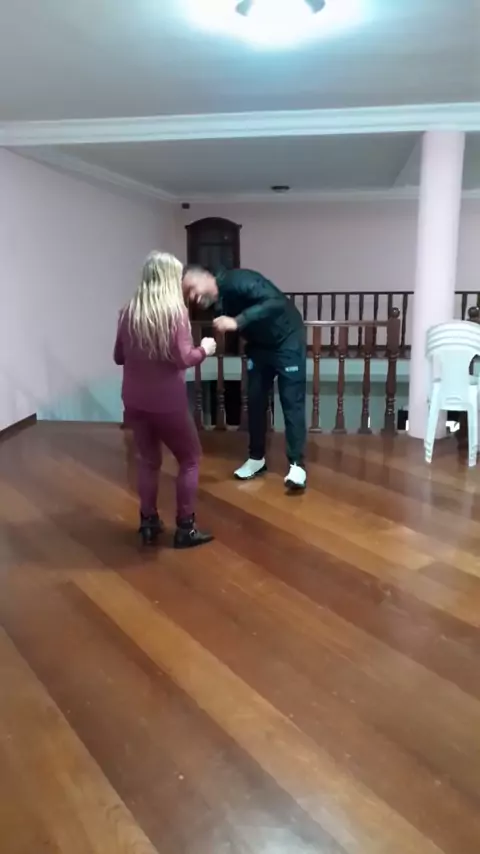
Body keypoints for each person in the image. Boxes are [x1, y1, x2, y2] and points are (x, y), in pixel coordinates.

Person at [114, 251, 216, 547]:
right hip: (167, 403)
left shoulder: (127, 312)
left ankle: (148, 522)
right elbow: (184, 358)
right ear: (170, 279)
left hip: (134, 401)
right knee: (190, 459)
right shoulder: (175, 313)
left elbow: (118, 356)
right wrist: (205, 349)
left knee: (148, 461)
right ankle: (185, 528)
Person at [182, 266, 307, 490]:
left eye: (192, 288)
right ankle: (256, 458)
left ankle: (297, 465)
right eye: (188, 294)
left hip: (287, 341)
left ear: (206, 277)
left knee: (291, 402)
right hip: (258, 347)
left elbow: (276, 303)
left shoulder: (239, 279)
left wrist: (238, 321)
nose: (192, 297)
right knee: (255, 400)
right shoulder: (216, 304)